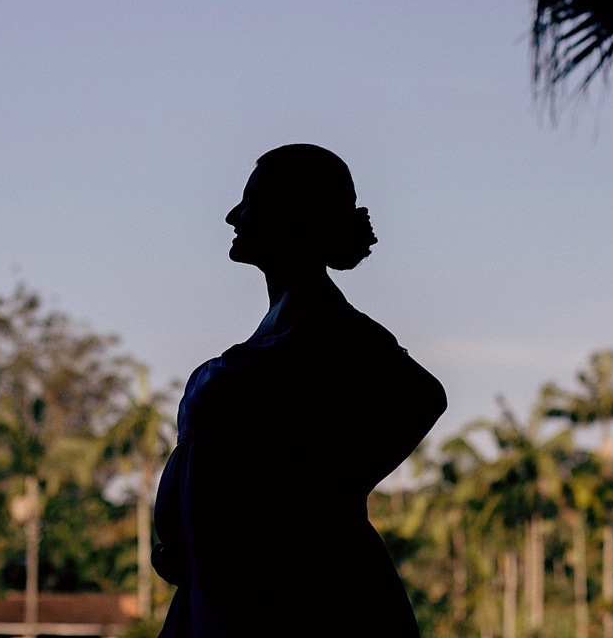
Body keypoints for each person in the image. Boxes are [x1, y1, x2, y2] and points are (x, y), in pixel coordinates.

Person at [152, 143, 448, 638]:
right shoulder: (287, 328)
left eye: (250, 200)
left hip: (297, 603)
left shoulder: (330, 329)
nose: (233, 215)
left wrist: (312, 500)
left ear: (294, 216)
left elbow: (422, 396)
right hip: (221, 597)